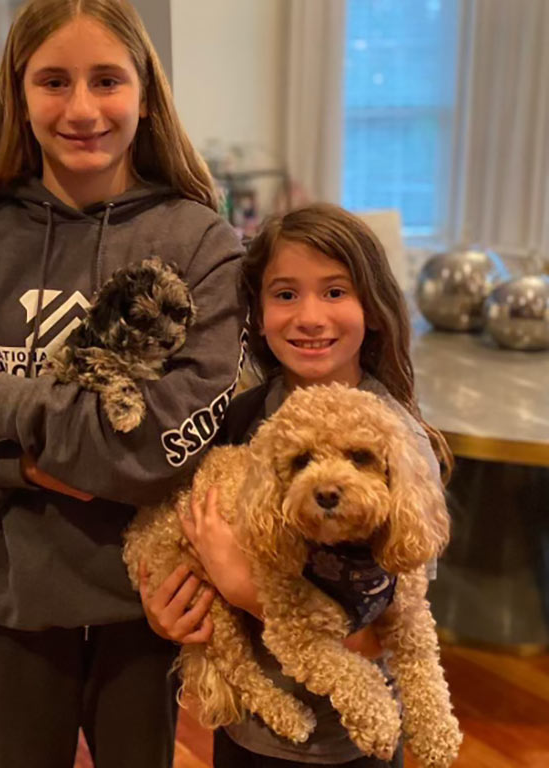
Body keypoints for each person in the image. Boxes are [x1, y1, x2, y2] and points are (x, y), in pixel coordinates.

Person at [0, 1, 246, 766]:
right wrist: (22, 465)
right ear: (19, 92)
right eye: (54, 81)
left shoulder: (198, 241)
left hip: (148, 601)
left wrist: (1, 408)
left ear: (144, 91)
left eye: (106, 79)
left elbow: (171, 441)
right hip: (4, 596)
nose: (81, 109)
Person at [140, 203, 453, 768]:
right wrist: (173, 611)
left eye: (335, 292)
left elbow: (394, 624)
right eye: (285, 294)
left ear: (374, 309)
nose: (310, 317)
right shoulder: (237, 420)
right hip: (249, 735)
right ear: (257, 314)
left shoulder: (400, 442)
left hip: (354, 743)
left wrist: (246, 591)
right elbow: (193, 550)